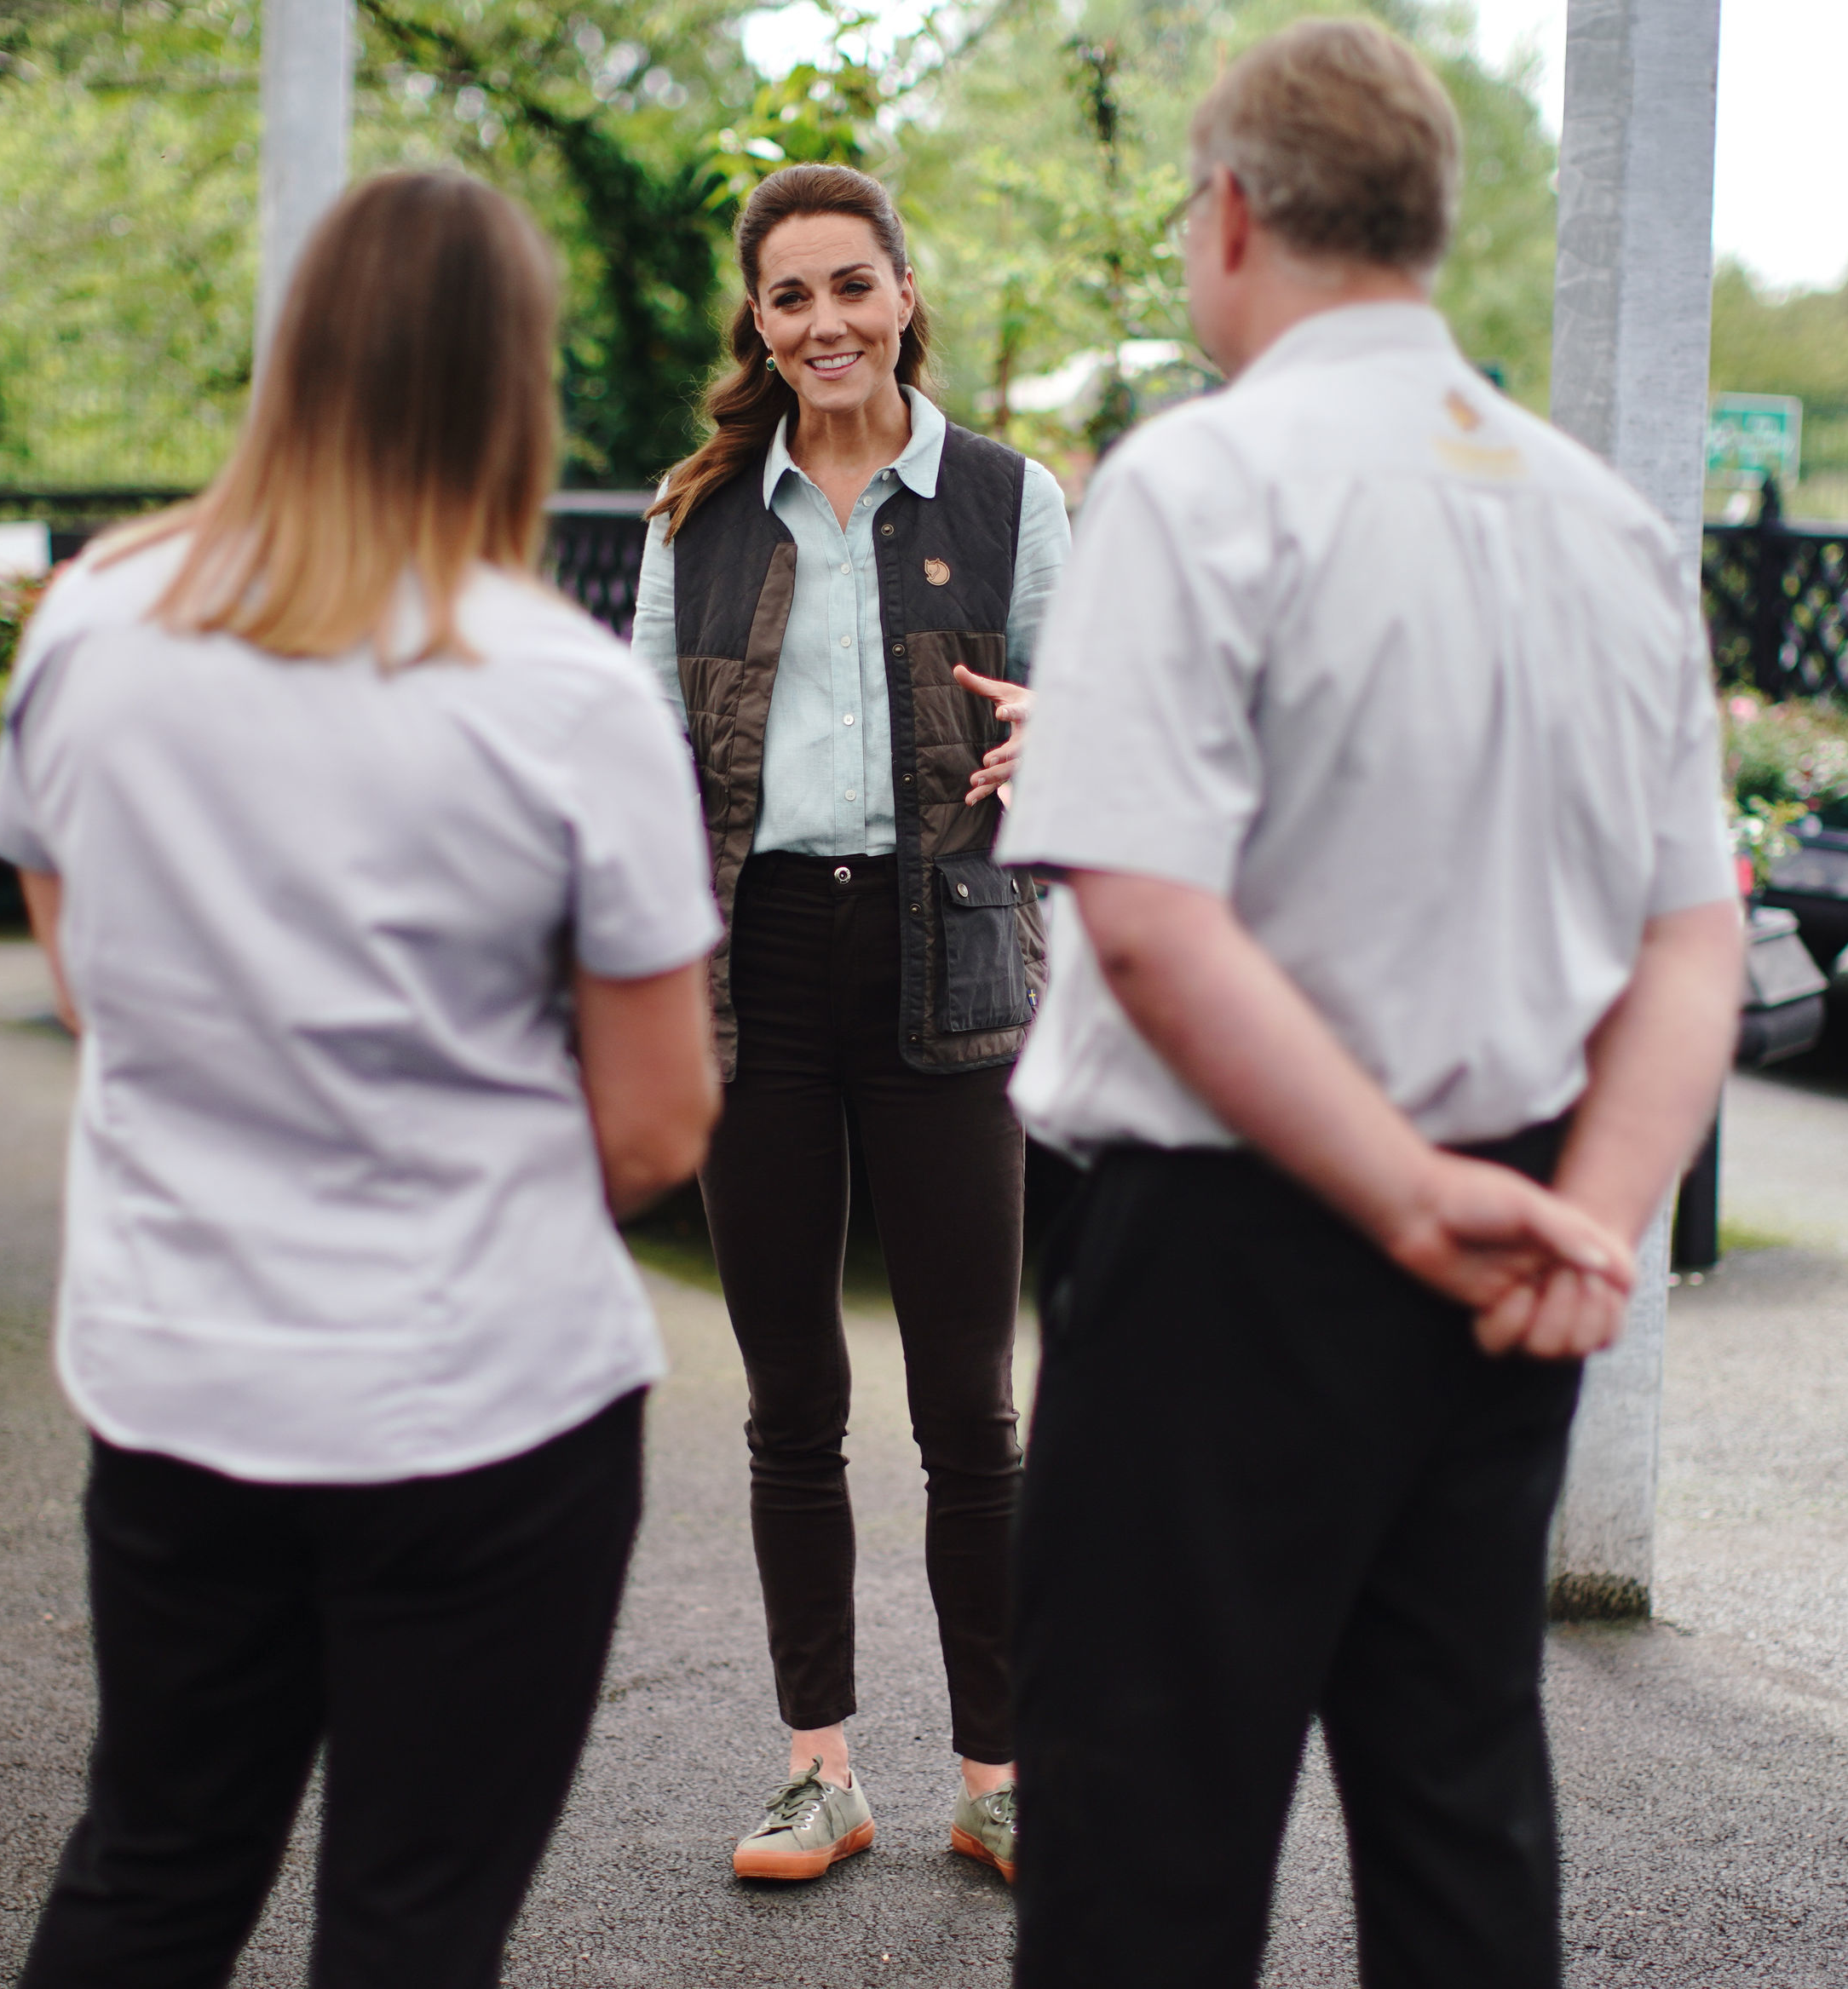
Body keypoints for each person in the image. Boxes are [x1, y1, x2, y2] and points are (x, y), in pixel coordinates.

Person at [993, 20, 1749, 1986]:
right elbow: (1693, 937)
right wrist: (1594, 1213)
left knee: (1148, 1828)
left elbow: (1148, 920)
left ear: (1231, 214)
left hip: (1230, 1241)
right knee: (1456, 1800)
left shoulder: (1199, 481)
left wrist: (1405, 1196)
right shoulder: (1607, 525)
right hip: (1526, 1242)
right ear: (1422, 222)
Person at [0, 170, 722, 1986]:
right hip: (480, 1399)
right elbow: (654, 1118)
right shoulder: (562, 691)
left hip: (181, 1375)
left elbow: (85, 978)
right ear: (514, 384)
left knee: (151, 1864)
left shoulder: (91, 622)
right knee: (410, 1923)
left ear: (291, 356)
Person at [626, 161, 1068, 1886]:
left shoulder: (1013, 499)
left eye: (850, 287)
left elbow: (1092, 717)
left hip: (945, 957)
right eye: (789, 296)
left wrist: (1065, 736)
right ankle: (822, 1767)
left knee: (970, 1402)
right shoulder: (699, 517)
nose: (823, 322)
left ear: (904, 297)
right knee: (789, 1396)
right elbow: (637, 761)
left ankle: (1002, 1773)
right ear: (759, 321)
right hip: (755, 974)